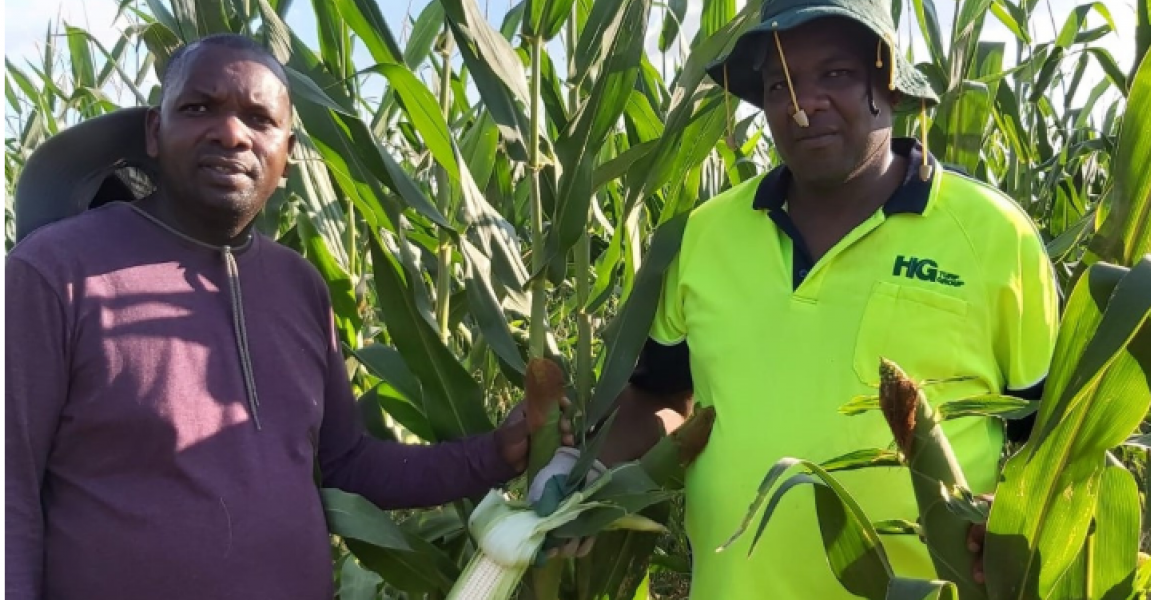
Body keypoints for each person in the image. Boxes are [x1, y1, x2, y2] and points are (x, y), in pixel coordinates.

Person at [534, 0, 1061, 598]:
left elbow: (1048, 436)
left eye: (834, 74)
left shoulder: (995, 236)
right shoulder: (704, 236)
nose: (802, 104)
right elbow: (661, 395)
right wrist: (588, 473)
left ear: (887, 87)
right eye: (781, 83)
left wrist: (1014, 514)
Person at [6, 34, 543, 600]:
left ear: (287, 153)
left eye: (259, 120)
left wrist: (493, 455)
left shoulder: (301, 288)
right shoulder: (55, 270)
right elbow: (8, 485)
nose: (231, 133)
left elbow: (348, 464)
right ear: (153, 132)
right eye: (198, 108)